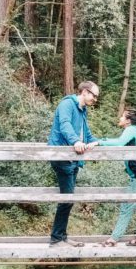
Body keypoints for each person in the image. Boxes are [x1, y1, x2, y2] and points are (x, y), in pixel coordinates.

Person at [47, 81, 100, 246]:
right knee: (67, 199)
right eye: (93, 95)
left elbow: (86, 133)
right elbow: (65, 125)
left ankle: (60, 236)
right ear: (84, 92)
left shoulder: (82, 110)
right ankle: (57, 237)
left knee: (68, 198)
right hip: (62, 156)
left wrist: (99, 142)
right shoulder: (67, 104)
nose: (95, 99)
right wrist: (75, 141)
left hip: (73, 159)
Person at [98, 110, 136, 247]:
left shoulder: (131, 129)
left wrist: (99, 142)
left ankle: (113, 239)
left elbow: (119, 142)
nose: (120, 117)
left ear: (128, 120)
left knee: (127, 205)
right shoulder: (135, 130)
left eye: (122, 116)